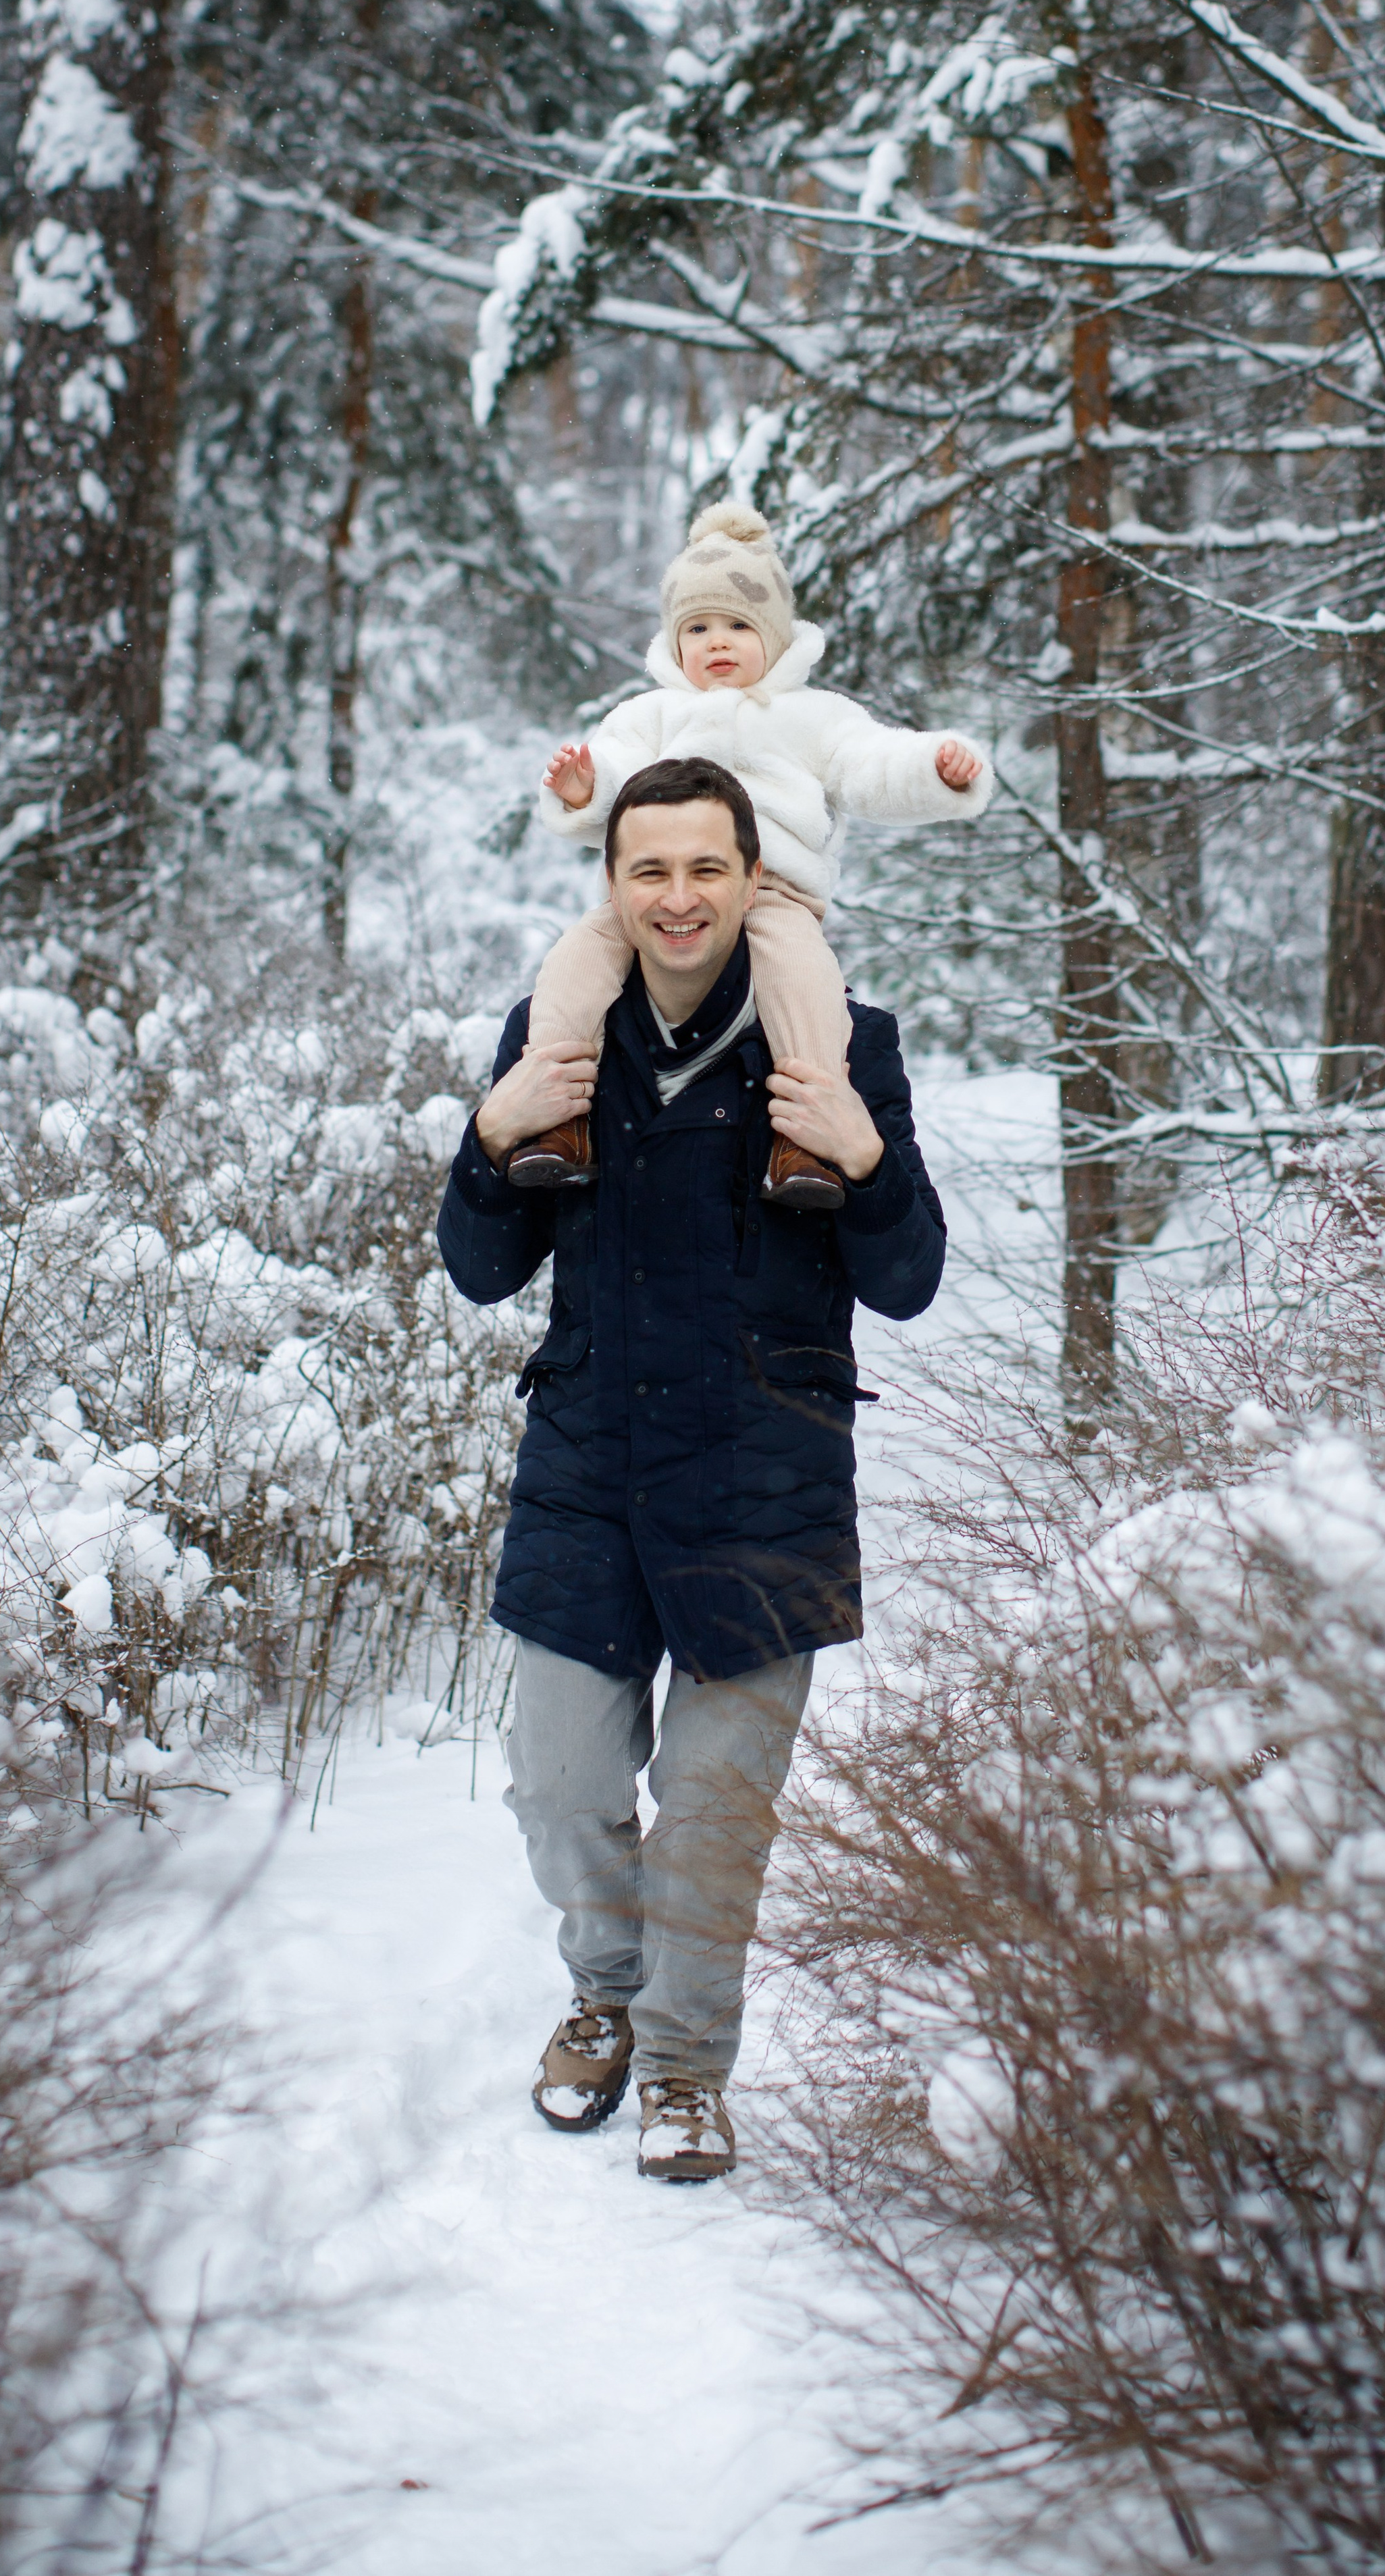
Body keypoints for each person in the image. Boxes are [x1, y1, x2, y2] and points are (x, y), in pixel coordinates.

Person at [436, 755, 946, 2182]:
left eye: (705, 866)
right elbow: (481, 1269)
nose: (678, 896)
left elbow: (908, 1280)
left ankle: (680, 2064)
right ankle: (605, 1991)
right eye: (648, 868)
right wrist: (492, 1132)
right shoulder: (555, 1034)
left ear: (751, 878)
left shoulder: (842, 1040)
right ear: (611, 883)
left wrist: (864, 1158)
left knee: (716, 1817)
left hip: (766, 1476)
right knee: (558, 1786)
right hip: (588, 1469)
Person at [511, 502, 990, 1209]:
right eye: (697, 628)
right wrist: (586, 786)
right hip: (651, 900)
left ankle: (806, 1134)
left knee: (804, 978)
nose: (718, 642)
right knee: (576, 960)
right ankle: (557, 1115)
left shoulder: (812, 716)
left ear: (775, 636)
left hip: (776, 896)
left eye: (738, 625)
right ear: (674, 643)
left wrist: (934, 768)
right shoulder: (649, 716)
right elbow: (615, 775)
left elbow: (870, 765)